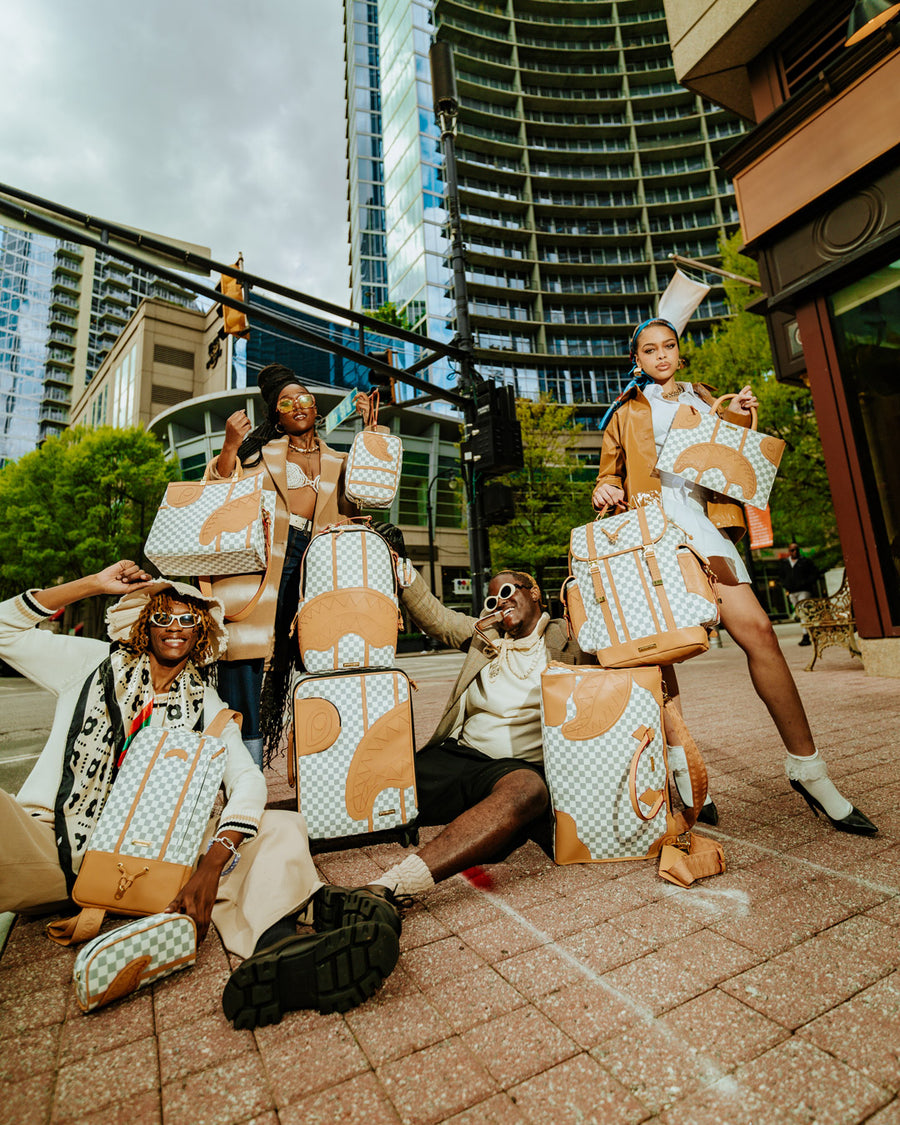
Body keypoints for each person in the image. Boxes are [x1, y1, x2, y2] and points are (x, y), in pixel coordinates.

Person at [0, 561, 400, 1027]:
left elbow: (247, 780)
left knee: (280, 825)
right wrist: (92, 584)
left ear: (202, 633)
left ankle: (279, 953)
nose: (175, 629)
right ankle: (308, 900)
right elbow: (4, 630)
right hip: (55, 845)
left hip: (156, 853)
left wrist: (213, 861)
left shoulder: (206, 703)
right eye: (163, 617)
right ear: (144, 626)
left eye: (188, 620)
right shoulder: (90, 665)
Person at [591, 317, 877, 837]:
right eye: (649, 350)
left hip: (704, 528)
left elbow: (730, 466)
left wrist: (743, 419)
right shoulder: (624, 412)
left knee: (761, 633)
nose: (660, 356)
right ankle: (686, 772)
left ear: (679, 353)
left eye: (668, 346)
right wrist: (604, 490)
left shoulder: (705, 398)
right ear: (637, 359)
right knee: (662, 654)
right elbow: (608, 474)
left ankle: (808, 770)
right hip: (650, 531)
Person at [340, 553, 593, 908]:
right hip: (458, 755)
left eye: (507, 591)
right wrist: (401, 568)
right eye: (492, 599)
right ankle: (274, 834)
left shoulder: (569, 637)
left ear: (534, 592)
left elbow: (615, 646)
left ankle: (395, 885)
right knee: (371, 786)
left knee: (529, 791)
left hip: (513, 769)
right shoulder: (485, 636)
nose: (500, 602)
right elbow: (437, 618)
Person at [206, 364, 365, 768]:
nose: (298, 405)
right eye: (287, 402)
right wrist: (229, 445)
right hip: (263, 559)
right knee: (243, 654)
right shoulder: (260, 452)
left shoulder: (339, 459)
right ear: (276, 414)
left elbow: (361, 505)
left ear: (316, 408)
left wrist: (371, 436)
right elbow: (218, 489)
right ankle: (246, 765)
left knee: (320, 652)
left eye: (305, 399)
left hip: (318, 560)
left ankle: (325, 756)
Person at [779, 542, 820, 645]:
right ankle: (811, 632)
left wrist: (806, 583)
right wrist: (786, 585)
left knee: (803, 611)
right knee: (800, 613)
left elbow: (815, 573)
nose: (795, 552)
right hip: (792, 592)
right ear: (789, 551)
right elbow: (781, 577)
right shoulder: (785, 563)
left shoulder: (805, 562)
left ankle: (806, 635)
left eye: (796, 549)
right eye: (792, 550)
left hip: (804, 591)